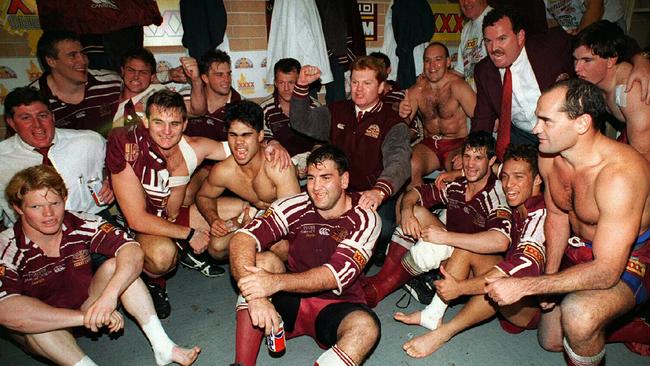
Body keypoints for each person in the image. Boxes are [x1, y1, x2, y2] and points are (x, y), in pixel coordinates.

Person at [486, 78, 650, 365]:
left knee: (579, 315)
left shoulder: (620, 175)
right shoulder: (549, 157)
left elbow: (607, 271)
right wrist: (550, 277)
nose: (535, 129)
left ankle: (599, 321)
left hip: (630, 256)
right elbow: (558, 217)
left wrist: (529, 286)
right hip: (580, 245)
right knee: (550, 340)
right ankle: (629, 327)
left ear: (582, 123)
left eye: (546, 121)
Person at [0, 165, 200, 366]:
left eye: (55, 203)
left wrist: (108, 299)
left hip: (90, 304)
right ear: (18, 208)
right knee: (37, 326)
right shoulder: (6, 245)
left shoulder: (80, 222)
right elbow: (6, 311)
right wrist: (85, 317)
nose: (49, 214)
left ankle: (163, 346)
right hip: (46, 325)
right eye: (36, 207)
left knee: (118, 266)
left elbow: (132, 251)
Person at [230, 145, 381, 366]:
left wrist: (273, 282)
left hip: (338, 302)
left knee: (366, 328)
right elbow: (242, 238)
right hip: (293, 296)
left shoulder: (365, 218)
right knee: (260, 262)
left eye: (326, 177)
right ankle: (241, 364)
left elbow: (334, 275)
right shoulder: (295, 205)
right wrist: (257, 296)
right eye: (311, 178)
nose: (316, 187)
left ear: (344, 180)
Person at [395, 144, 546, 358]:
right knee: (466, 247)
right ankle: (432, 314)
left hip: (529, 305)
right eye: (505, 177)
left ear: (538, 179)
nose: (508, 185)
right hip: (505, 281)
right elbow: (489, 167)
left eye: (518, 177)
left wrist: (461, 288)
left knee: (499, 281)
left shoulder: (541, 217)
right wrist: (458, 172)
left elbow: (514, 271)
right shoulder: (517, 199)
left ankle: (444, 333)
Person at [106, 89, 231, 318]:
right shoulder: (129, 150)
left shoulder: (194, 146)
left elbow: (240, 147)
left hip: (176, 214)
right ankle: (155, 283)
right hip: (144, 227)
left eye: (174, 123)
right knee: (162, 255)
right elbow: (136, 219)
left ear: (184, 124)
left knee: (245, 210)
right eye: (158, 122)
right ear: (146, 122)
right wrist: (190, 234)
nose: (166, 131)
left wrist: (272, 146)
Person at [361, 131, 512, 314]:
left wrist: (445, 237)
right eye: (467, 156)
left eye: (478, 158)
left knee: (435, 246)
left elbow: (500, 241)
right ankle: (384, 276)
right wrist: (408, 212)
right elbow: (416, 192)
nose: (471, 164)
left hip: (474, 266)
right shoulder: (458, 184)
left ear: (491, 161)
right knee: (415, 211)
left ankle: (383, 286)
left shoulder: (497, 194)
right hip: (452, 247)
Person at [289, 56, 411, 263]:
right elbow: (301, 122)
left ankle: (367, 251)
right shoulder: (337, 110)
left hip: (370, 193)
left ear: (381, 86)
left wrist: (379, 192)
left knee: (385, 227)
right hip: (336, 189)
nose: (358, 89)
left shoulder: (392, 123)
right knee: (304, 220)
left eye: (367, 83)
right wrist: (301, 86)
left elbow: (399, 163)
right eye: (355, 82)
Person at [195, 100, 300, 260]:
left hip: (284, 221)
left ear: (260, 136)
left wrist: (252, 227)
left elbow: (293, 220)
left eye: (246, 135)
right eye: (233, 135)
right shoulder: (224, 171)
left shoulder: (277, 165)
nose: (239, 143)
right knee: (215, 247)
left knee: (282, 247)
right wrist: (213, 219)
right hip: (254, 213)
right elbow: (203, 196)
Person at [0, 87, 113, 228]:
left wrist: (112, 181)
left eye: (42, 116)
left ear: (52, 117)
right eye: (26, 118)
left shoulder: (89, 141)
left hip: (93, 221)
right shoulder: (2, 159)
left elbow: (119, 164)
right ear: (11, 123)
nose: (37, 125)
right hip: (31, 233)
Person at [472, 7, 574, 160]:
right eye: (488, 41)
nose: (494, 49)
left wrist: (622, 75)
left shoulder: (552, 46)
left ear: (520, 37)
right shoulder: (484, 71)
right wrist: (471, 154)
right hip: (520, 136)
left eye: (502, 39)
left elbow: (592, 53)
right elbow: (483, 119)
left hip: (562, 130)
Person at [399, 42, 476, 187]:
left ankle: (454, 208)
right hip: (431, 145)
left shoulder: (459, 86)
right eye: (427, 61)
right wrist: (403, 113)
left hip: (457, 143)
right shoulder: (417, 90)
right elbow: (402, 124)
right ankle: (416, 206)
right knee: (409, 164)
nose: (432, 66)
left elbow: (481, 120)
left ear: (448, 62)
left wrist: (468, 151)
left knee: (462, 166)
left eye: (438, 60)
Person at [572, 20, 650, 162]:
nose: (577, 68)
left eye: (587, 60)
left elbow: (643, 158)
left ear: (611, 60)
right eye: (575, 60)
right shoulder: (595, 80)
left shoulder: (631, 92)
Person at [30, 31, 122, 136]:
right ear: (51, 61)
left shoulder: (113, 83)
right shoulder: (33, 100)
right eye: (72, 55)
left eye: (83, 53)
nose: (83, 61)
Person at [113, 48, 207, 128]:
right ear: (122, 71)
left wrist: (196, 80)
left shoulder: (158, 95)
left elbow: (197, 111)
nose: (136, 76)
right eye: (131, 70)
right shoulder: (108, 89)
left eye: (143, 72)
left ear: (152, 77)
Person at [258, 58, 322, 157]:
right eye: (281, 83)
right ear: (275, 83)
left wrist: (315, 154)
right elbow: (261, 140)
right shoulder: (265, 108)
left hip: (311, 164)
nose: (286, 88)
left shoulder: (314, 107)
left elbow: (321, 141)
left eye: (291, 82)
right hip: (277, 163)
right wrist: (273, 143)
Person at [453, 0, 492, 89]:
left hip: (493, 97)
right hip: (473, 98)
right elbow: (459, 71)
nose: (466, 2)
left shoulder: (498, 20)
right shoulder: (466, 28)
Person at [544, 0, 625, 35]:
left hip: (609, 25)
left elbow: (596, 8)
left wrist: (578, 38)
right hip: (576, 33)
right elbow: (551, 23)